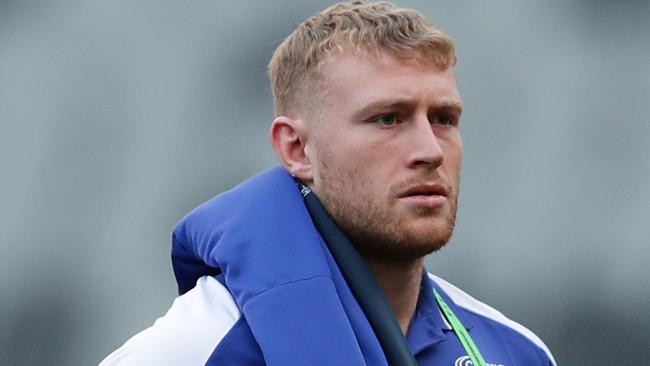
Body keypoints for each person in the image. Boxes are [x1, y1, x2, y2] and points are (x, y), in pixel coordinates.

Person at [100, 1, 556, 365]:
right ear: (297, 149)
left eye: (443, 119)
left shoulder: (515, 351)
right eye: (387, 119)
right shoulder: (197, 348)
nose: (430, 150)